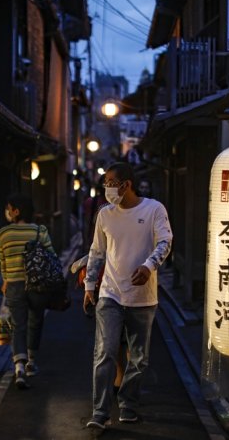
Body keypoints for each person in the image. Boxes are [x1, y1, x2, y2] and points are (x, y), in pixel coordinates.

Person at [83, 162, 173, 430]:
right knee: (105, 352)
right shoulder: (105, 214)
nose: (106, 188)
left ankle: (128, 404)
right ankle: (100, 412)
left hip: (143, 298)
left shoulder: (154, 209)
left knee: (139, 358)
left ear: (126, 185)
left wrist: (149, 266)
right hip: (110, 293)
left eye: (110, 182)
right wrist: (90, 285)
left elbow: (165, 241)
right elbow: (97, 251)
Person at [0, 193, 54, 389]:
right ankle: (31, 362)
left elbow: (3, 262)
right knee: (35, 322)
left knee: (18, 325)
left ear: (16, 211)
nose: (8, 212)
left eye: (9, 208)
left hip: (13, 285)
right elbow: (51, 256)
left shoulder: (3, 233)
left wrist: (6, 280)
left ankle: (19, 367)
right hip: (37, 285)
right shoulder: (40, 231)